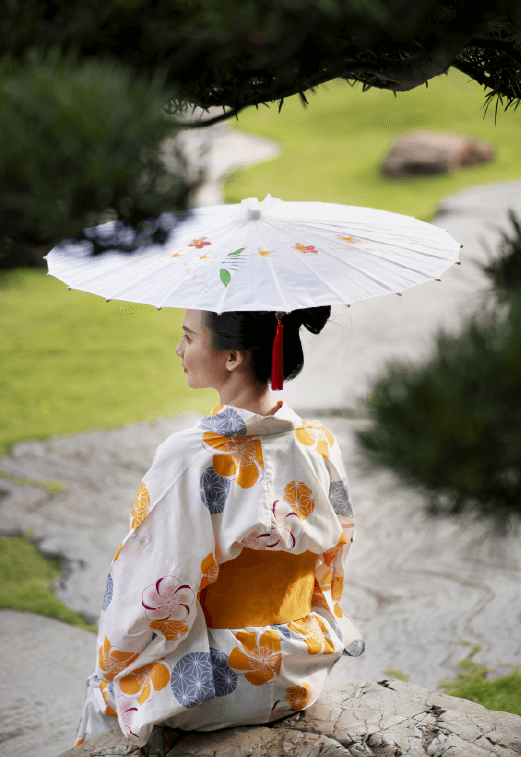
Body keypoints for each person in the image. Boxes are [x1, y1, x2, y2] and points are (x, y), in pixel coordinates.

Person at [75, 307, 364, 748]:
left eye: (189, 337)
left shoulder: (192, 455)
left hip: (218, 682)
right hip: (301, 667)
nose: (179, 349)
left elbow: (152, 591)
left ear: (232, 356)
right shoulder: (318, 441)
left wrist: (111, 667)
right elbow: (335, 553)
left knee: (106, 692)